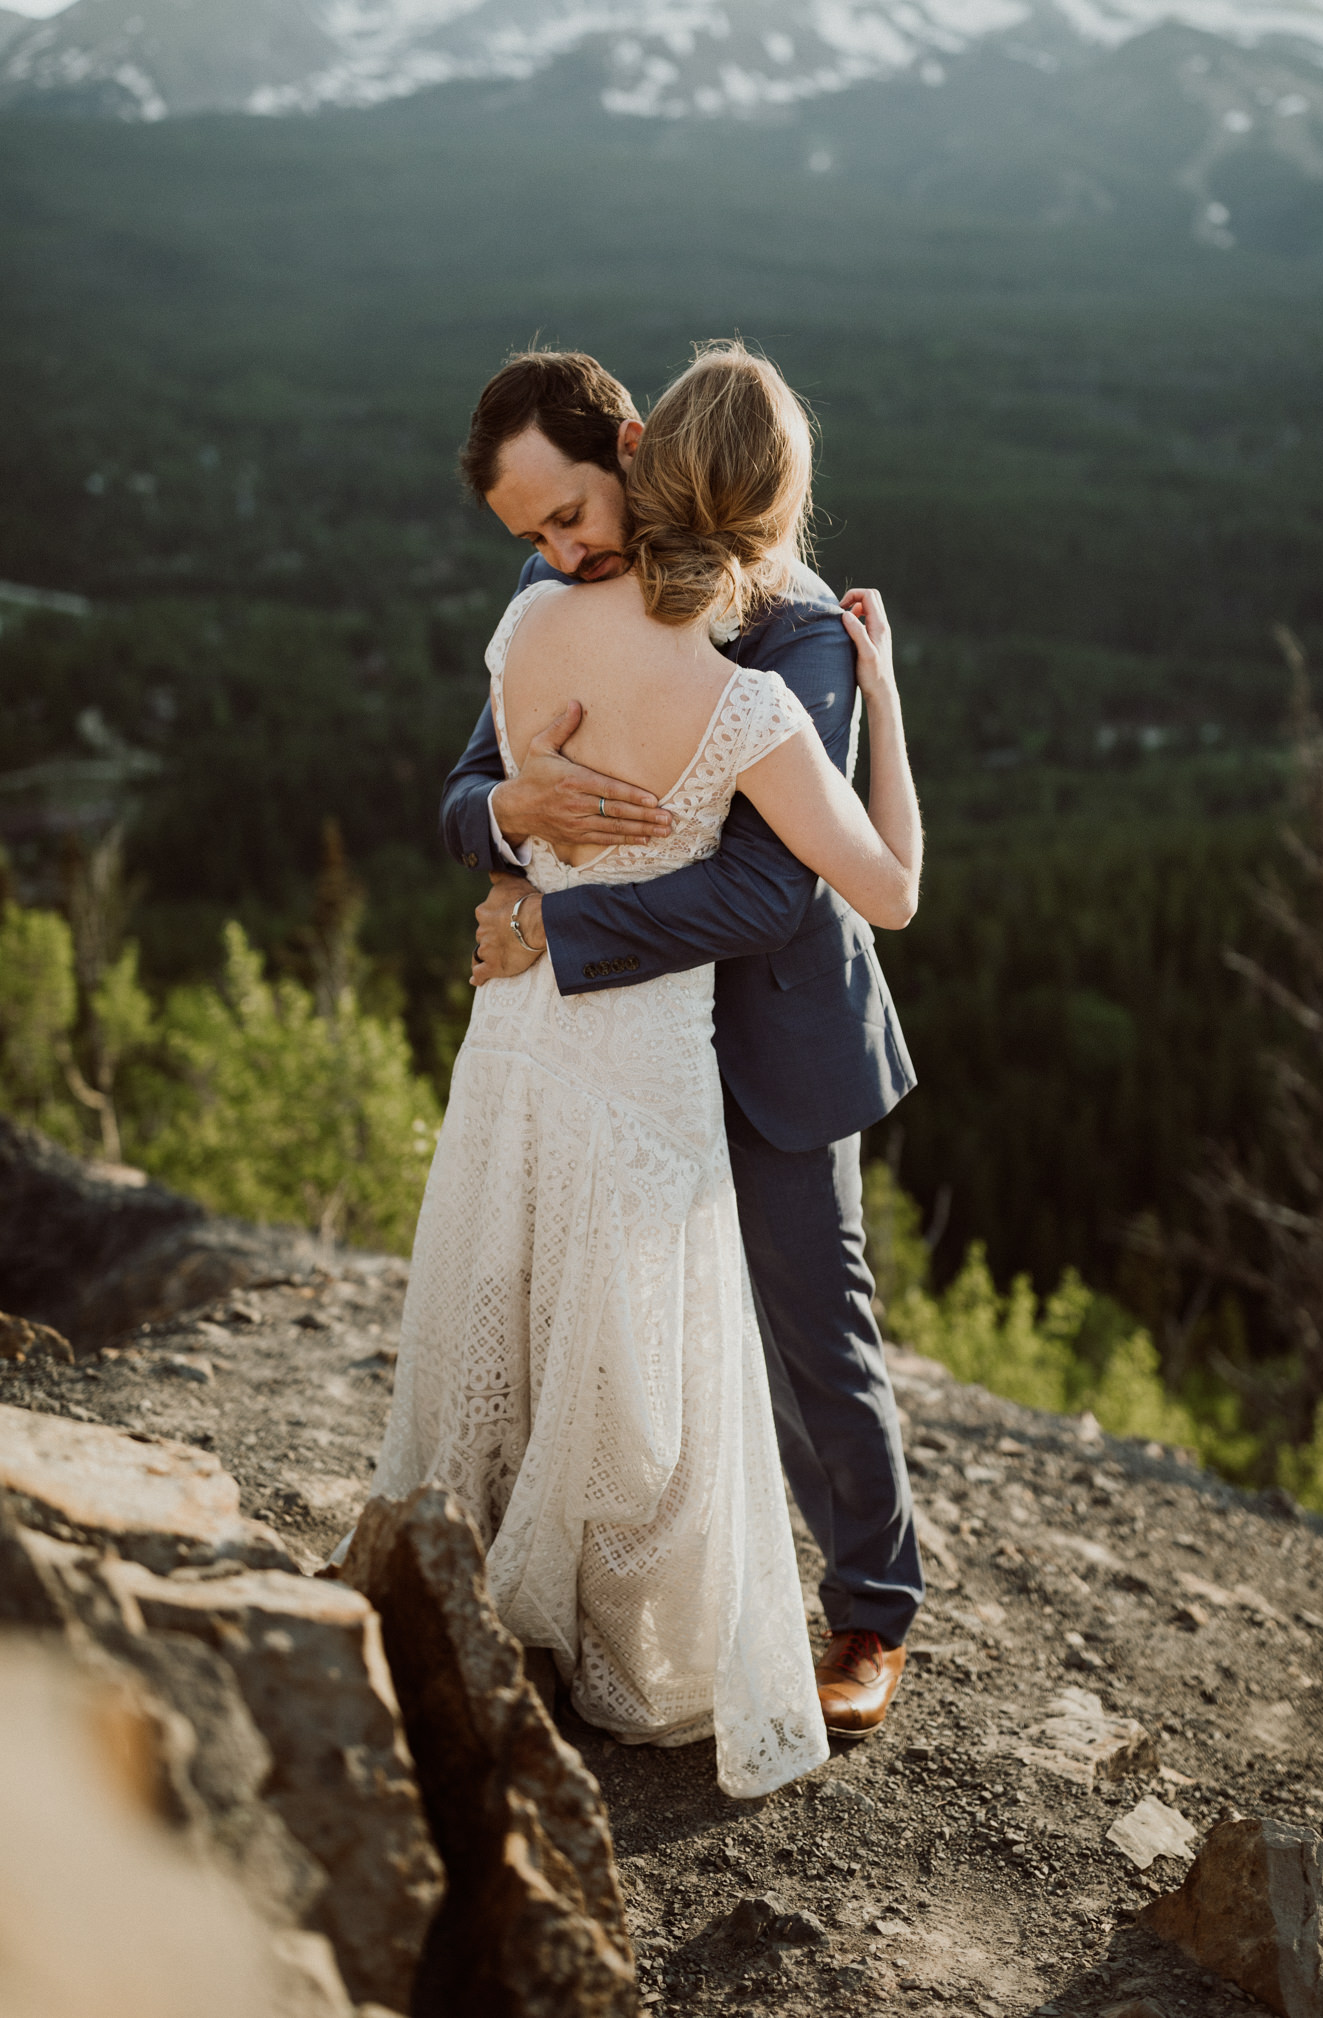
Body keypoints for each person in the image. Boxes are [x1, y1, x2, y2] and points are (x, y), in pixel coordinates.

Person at [372, 344, 922, 1798]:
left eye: (567, 515)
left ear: (629, 446)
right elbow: (456, 795)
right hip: (620, 1052)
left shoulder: (797, 630)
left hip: (769, 1040)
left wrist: (556, 918)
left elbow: (771, 897)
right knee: (608, 1331)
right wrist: (510, 805)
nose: (560, 551)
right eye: (534, 539)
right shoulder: (559, 610)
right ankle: (611, 1597)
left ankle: (871, 1614)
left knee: (818, 1332)